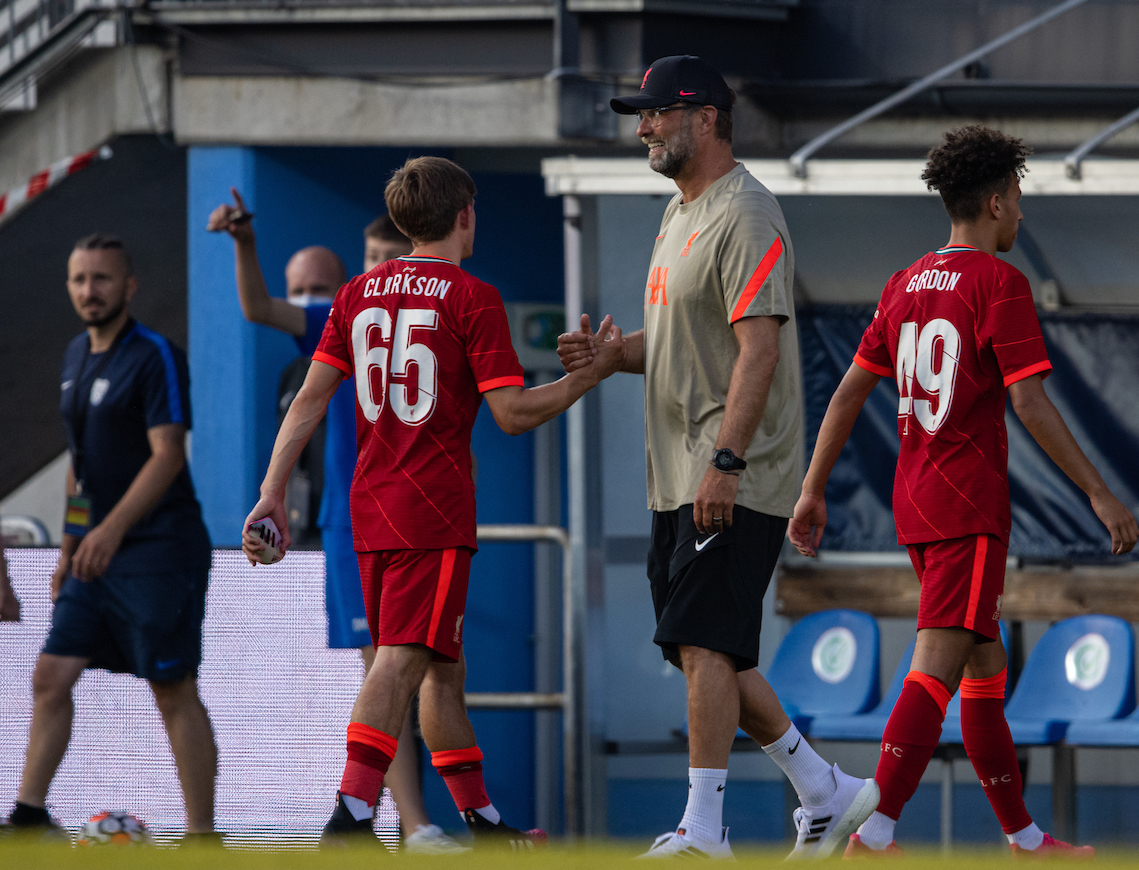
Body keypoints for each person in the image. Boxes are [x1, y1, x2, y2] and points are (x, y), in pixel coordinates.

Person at [240, 156, 623, 848]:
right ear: (464, 215)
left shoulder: (356, 294)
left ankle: (483, 824)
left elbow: (310, 400)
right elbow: (510, 413)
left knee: (443, 670)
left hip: (370, 506)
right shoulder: (472, 297)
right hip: (434, 511)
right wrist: (583, 380)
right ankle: (351, 817)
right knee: (398, 659)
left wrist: (270, 492)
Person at [556, 55, 879, 860]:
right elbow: (670, 346)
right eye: (642, 115)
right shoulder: (680, 214)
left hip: (733, 474)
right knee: (709, 653)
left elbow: (758, 353)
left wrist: (726, 462)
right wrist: (608, 357)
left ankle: (706, 829)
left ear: (705, 118)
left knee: (704, 645)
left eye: (657, 113)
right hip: (677, 474)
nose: (643, 128)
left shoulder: (748, 213)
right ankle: (824, 790)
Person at [789, 125, 1139, 858]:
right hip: (967, 507)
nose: (1021, 214)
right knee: (935, 671)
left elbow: (851, 391)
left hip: (916, 501)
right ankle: (874, 834)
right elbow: (1032, 403)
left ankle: (1024, 837)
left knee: (984, 670)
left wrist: (813, 489)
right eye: (1017, 199)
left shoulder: (903, 282)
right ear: (993, 201)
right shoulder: (998, 283)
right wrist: (1099, 494)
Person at [206, 199, 462, 853]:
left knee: (427, 673)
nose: (386, 271)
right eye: (375, 260)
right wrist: (243, 244)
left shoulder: (438, 312)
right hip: (356, 521)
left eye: (391, 257)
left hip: (421, 517)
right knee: (389, 670)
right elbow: (260, 309)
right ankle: (406, 826)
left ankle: (398, 824)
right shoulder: (345, 316)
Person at [4, 235, 218, 840]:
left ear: (129, 286)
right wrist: (71, 547)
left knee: (172, 687)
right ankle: (28, 817)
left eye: (101, 279)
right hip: (94, 555)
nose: (88, 291)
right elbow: (80, 466)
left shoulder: (154, 356)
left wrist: (111, 530)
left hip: (159, 551)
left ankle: (203, 834)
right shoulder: (75, 356)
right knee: (51, 675)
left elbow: (168, 455)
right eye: (78, 279)